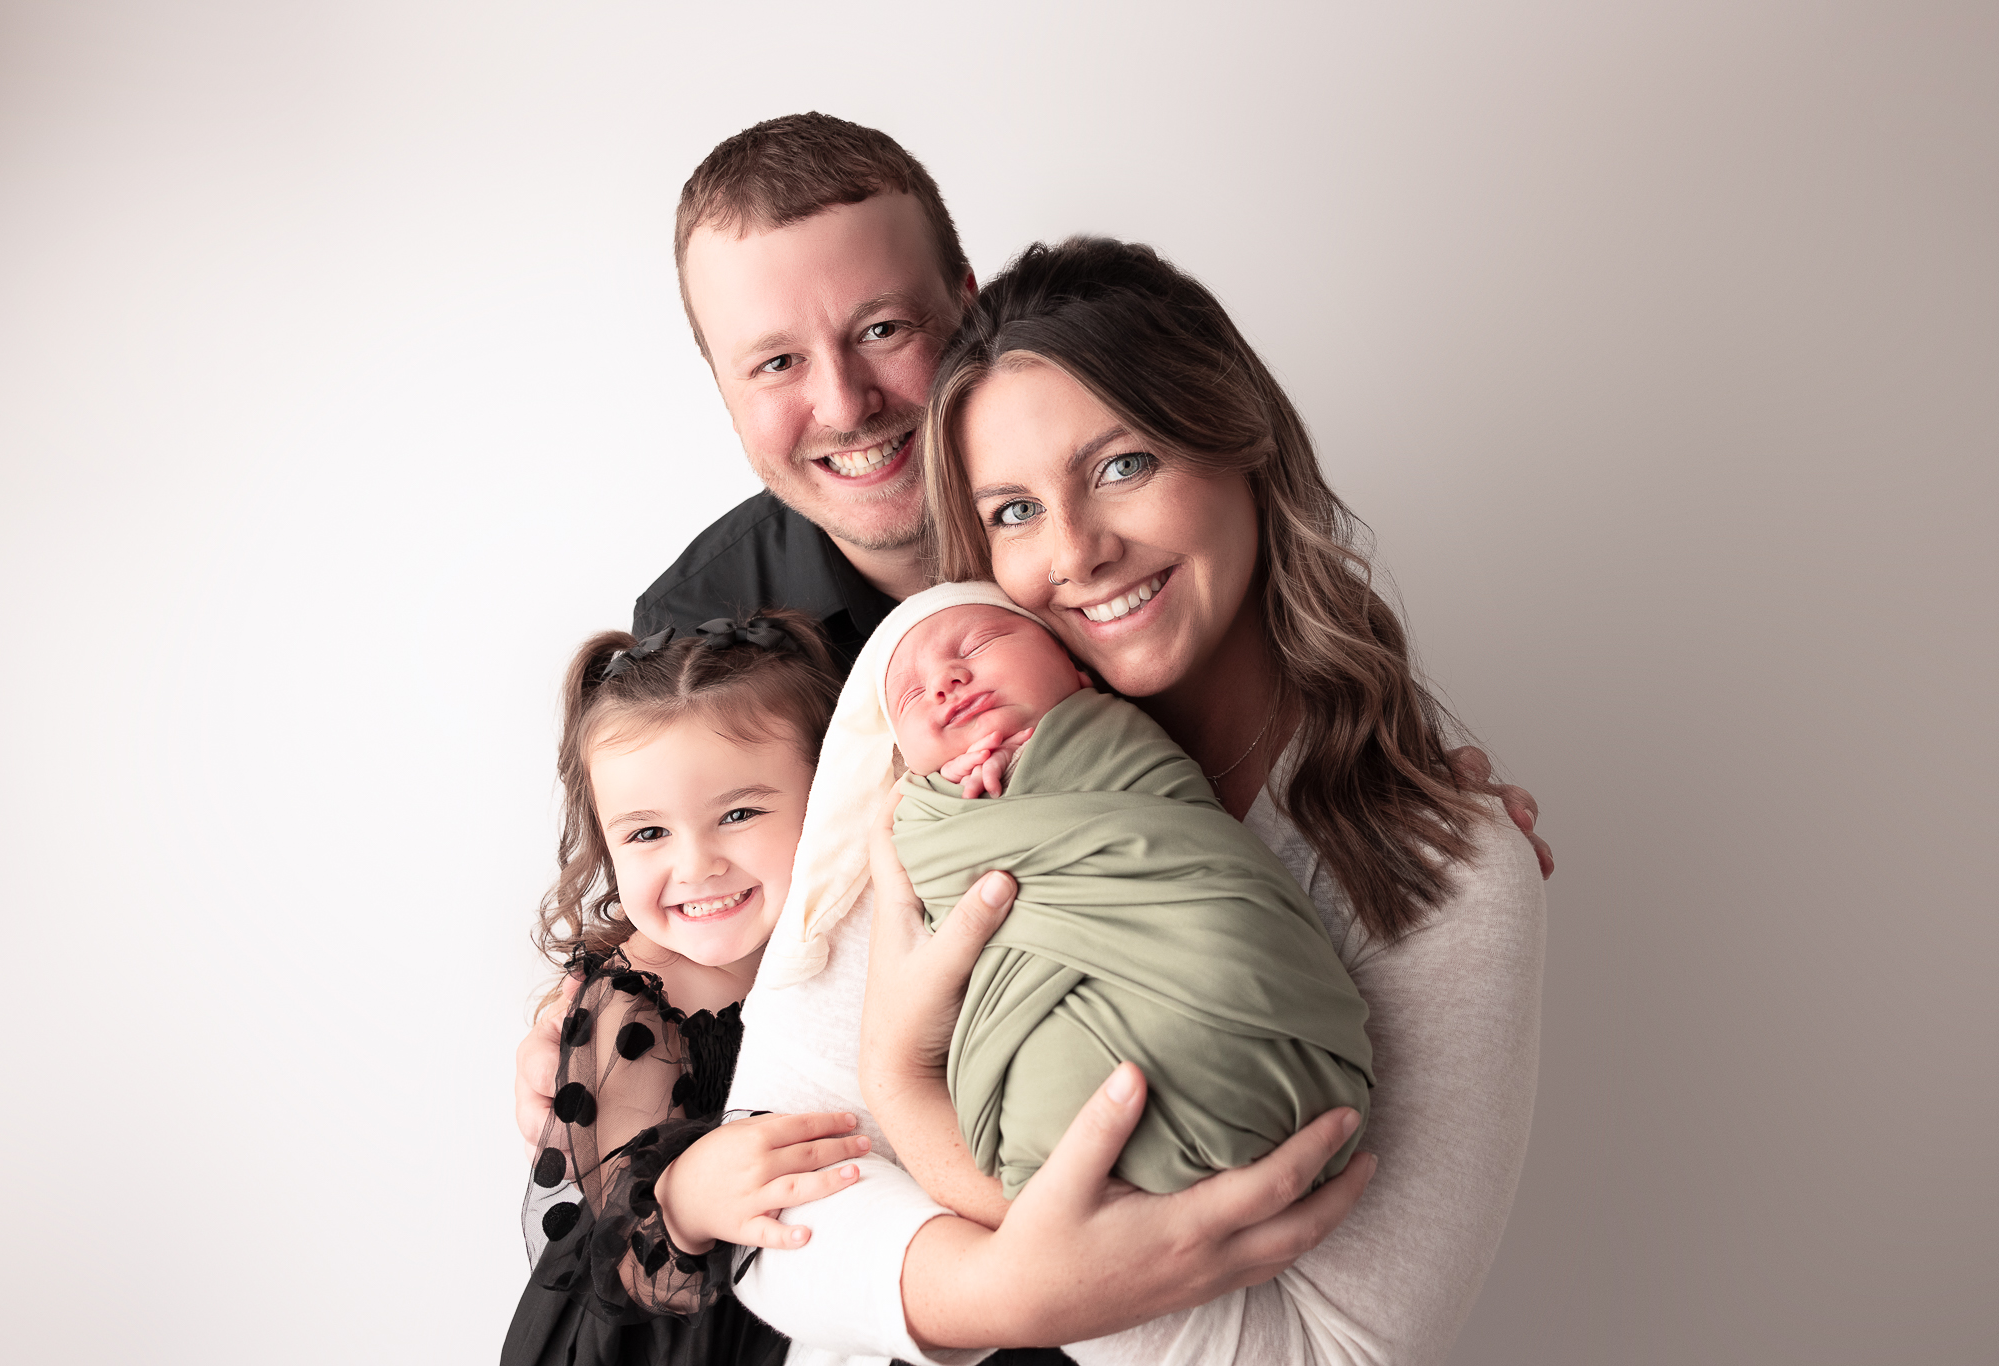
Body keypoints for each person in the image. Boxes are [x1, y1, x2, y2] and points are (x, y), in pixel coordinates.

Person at [516, 112, 1554, 1362]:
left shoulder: (1410, 848)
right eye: (1012, 508)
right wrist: (621, 986)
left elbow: (1331, 1347)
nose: (1069, 551)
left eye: (1122, 466)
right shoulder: (892, 692)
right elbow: (777, 1198)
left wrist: (929, 1138)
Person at [870, 585, 1374, 1202]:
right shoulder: (918, 820)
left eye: (976, 645)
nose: (944, 683)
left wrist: (1041, 761)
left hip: (1228, 969)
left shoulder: (1118, 740)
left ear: (1078, 670)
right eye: (913, 696)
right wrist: (946, 812)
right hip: (1048, 1064)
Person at [503, 611, 873, 1366]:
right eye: (647, 834)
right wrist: (687, 1205)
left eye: (738, 814)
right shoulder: (640, 1008)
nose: (697, 865)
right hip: (681, 1330)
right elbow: (622, 1248)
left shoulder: (853, 933)